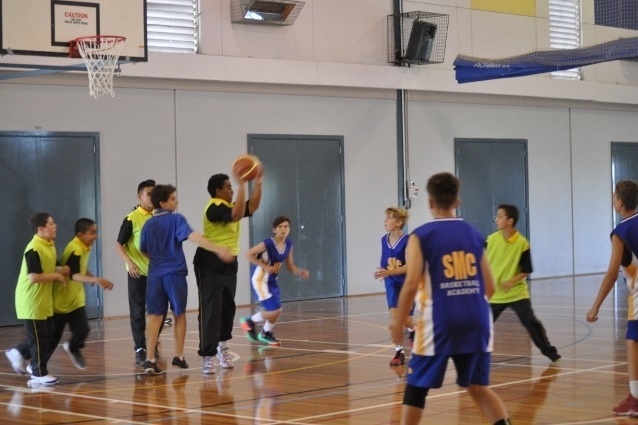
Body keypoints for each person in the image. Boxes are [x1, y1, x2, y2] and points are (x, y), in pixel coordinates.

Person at [389, 172, 511, 425]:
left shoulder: (421, 236)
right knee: (478, 387)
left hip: (441, 321)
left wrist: (398, 321)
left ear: (430, 203)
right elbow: (489, 287)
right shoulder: (476, 235)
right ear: (458, 201)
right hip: (478, 320)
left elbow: (411, 284)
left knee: (416, 388)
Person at [140, 184, 232, 375]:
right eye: (173, 198)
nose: (177, 201)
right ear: (163, 202)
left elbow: (144, 250)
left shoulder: (148, 224)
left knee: (154, 316)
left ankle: (149, 359)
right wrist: (218, 248)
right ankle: (179, 356)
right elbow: (194, 236)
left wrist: (159, 260)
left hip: (155, 274)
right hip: (174, 274)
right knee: (178, 314)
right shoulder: (176, 219)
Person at [193, 168, 263, 374]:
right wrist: (242, 185)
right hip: (209, 262)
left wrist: (258, 182)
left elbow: (252, 206)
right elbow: (236, 214)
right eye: (229, 187)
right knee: (210, 309)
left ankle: (223, 348)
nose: (232, 191)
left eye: (233, 187)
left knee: (227, 309)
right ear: (218, 191)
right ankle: (208, 355)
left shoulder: (230, 205)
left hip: (228, 263)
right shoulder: (213, 207)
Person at [587, 179, 638, 417]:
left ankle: (635, 398)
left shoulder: (621, 232)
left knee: (633, 342)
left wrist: (595, 306)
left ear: (619, 202)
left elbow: (611, 273)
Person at [486, 204, 561, 364]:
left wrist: (511, 281)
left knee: (531, 322)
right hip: (495, 295)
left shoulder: (522, 243)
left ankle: (550, 352)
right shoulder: (491, 239)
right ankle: (474, 356)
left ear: (509, 221)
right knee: (482, 326)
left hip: (517, 293)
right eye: (497, 216)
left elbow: (527, 270)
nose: (496, 219)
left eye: (500, 216)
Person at [5, 213, 69, 386]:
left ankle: (19, 353)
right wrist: (56, 275)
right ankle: (38, 372)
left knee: (49, 336)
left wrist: (61, 269)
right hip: (31, 301)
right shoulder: (33, 248)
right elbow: (33, 277)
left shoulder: (49, 245)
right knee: (40, 338)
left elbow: (48, 266)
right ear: (41, 229)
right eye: (51, 224)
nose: (55, 226)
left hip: (43, 300)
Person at [52, 218, 115, 370]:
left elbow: (80, 267)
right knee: (51, 339)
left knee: (83, 330)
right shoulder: (76, 249)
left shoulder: (84, 246)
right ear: (80, 234)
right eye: (92, 233)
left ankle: (73, 347)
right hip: (61, 300)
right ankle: (24, 356)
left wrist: (89, 274)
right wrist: (97, 279)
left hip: (75, 299)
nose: (96, 236)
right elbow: (73, 274)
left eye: (96, 232)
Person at [115, 179, 165, 367]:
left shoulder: (159, 216)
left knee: (158, 310)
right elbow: (118, 244)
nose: (152, 197)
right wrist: (129, 262)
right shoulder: (131, 219)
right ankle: (140, 348)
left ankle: (151, 342)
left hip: (157, 272)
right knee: (137, 311)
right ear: (140, 196)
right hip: (137, 273)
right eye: (149, 193)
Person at [241, 215, 310, 346]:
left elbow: (290, 266)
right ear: (274, 230)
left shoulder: (288, 244)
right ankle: (249, 321)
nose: (283, 229)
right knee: (276, 309)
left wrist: (300, 271)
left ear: (289, 229)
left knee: (277, 309)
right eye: (280, 226)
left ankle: (265, 333)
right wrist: (266, 266)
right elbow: (248, 254)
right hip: (261, 279)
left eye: (286, 226)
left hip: (272, 280)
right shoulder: (268, 243)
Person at [373, 207, 414, 366]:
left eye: (389, 218)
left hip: (406, 282)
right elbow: (385, 262)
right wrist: (381, 272)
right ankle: (399, 352)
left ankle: (413, 328)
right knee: (394, 316)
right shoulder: (384, 239)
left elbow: (409, 266)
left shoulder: (408, 240)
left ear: (398, 222)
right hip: (391, 282)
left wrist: (390, 272)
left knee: (405, 319)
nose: (385, 221)